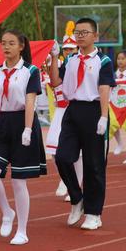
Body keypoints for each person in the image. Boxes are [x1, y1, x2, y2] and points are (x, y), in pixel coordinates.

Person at [49, 17, 116, 230]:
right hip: (73, 110)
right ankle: (77, 198)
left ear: (95, 36)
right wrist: (53, 58)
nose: (80, 35)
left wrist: (103, 117)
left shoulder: (103, 61)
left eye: (84, 32)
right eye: (77, 32)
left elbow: (104, 88)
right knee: (62, 157)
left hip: (94, 111)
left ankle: (94, 212)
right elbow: (55, 81)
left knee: (94, 165)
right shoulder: (70, 60)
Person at [0, 29, 46, 245]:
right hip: (3, 125)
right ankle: (6, 212)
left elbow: (30, 101)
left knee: (19, 181)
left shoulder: (31, 71)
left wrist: (27, 129)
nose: (6, 47)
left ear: (21, 46)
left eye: (11, 43)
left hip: (23, 122)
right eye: (3, 43)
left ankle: (22, 230)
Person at [46, 21, 83, 201]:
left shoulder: (80, 65)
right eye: (66, 49)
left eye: (72, 49)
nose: (69, 52)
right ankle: (66, 179)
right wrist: (52, 56)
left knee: (78, 155)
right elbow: (53, 81)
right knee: (54, 151)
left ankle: (75, 185)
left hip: (76, 112)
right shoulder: (59, 65)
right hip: (61, 113)